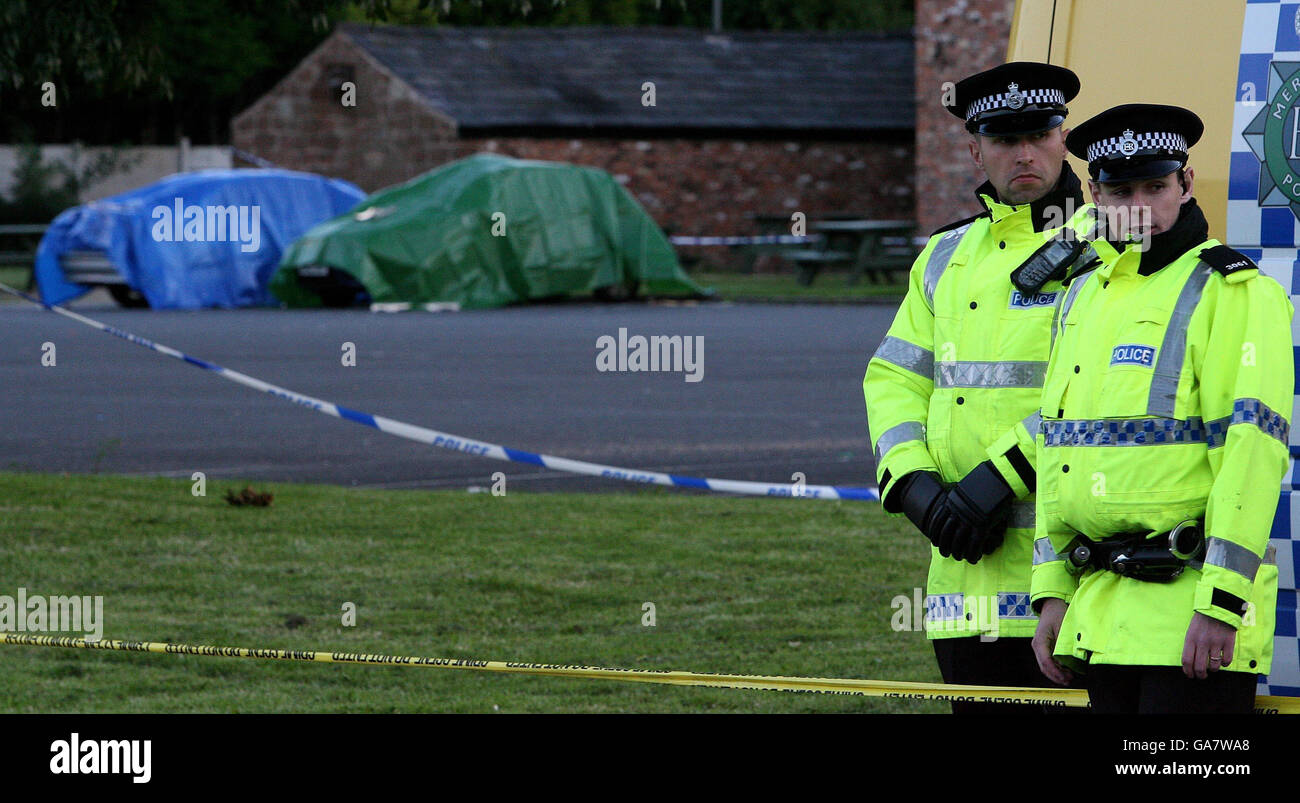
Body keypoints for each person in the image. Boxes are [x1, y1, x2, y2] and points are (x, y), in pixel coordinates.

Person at [1030, 104, 1293, 713]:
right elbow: (1059, 454)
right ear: (1093, 193)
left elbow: (1253, 453)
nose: (1139, 205)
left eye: (1156, 185)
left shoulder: (1235, 291)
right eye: (1120, 190)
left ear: (1187, 183)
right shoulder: (1082, 294)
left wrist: (1223, 603)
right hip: (1101, 616)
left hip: (1192, 618)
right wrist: (1052, 593)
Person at [864, 62, 1094, 713]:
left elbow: (1095, 395)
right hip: (962, 587)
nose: (1023, 153)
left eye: (1038, 135)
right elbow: (893, 378)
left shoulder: (1104, 252)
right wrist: (913, 486)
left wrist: (999, 476)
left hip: (1069, 583)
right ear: (975, 149)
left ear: (1064, 137)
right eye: (1002, 138)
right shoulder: (944, 255)